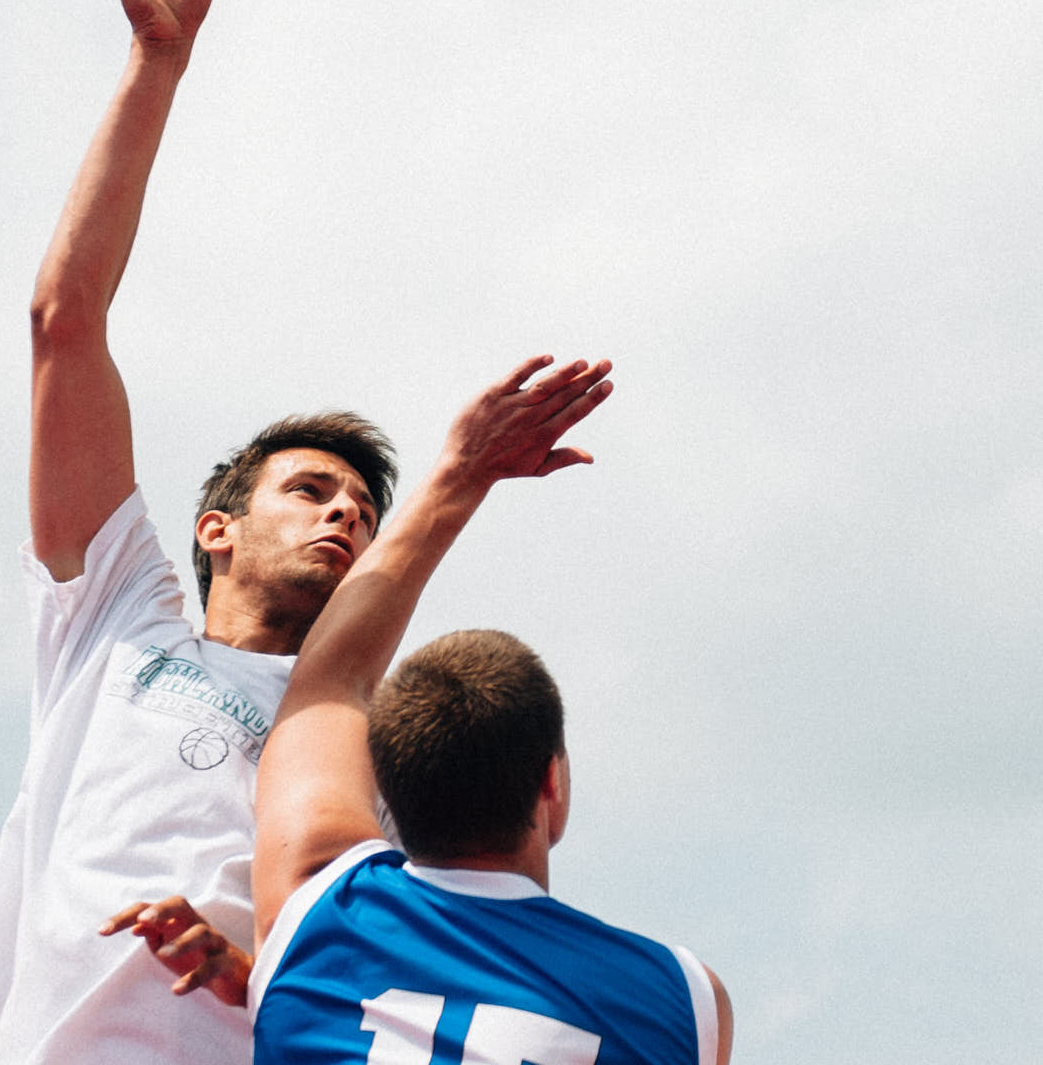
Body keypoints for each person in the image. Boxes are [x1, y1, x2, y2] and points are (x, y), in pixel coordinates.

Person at [0, 0, 613, 1064]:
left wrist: (236, 967)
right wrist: (153, 62)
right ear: (215, 528)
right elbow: (64, 319)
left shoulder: (375, 750)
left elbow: (394, 985)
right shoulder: (112, 624)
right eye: (310, 489)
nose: (343, 514)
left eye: (362, 507)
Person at [244, 378, 730, 1065]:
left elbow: (330, 681)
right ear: (551, 785)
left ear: (390, 787)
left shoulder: (319, 907)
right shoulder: (683, 1000)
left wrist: (461, 472)